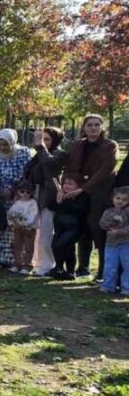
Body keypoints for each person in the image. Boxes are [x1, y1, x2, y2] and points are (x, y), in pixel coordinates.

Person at [64, 114, 119, 280]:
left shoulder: (110, 146)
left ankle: (102, 271)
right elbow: (69, 167)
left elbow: (105, 170)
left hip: (100, 193)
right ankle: (83, 267)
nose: (93, 128)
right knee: (83, 231)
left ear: (102, 127)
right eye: (89, 125)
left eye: (96, 125)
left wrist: (84, 188)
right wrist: (66, 186)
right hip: (78, 192)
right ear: (84, 127)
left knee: (99, 231)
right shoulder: (78, 145)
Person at [23, 127, 67, 277]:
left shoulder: (60, 154)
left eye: (46, 139)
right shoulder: (37, 156)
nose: (42, 142)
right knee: (34, 231)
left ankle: (47, 264)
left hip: (49, 197)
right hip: (34, 194)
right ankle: (34, 261)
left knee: (46, 233)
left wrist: (40, 146)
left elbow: (49, 164)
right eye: (41, 139)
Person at [0, 128, 31, 266]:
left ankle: (15, 259)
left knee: (14, 226)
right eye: (0, 144)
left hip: (17, 195)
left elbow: (25, 173)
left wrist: (13, 189)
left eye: (6, 144)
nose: (3, 147)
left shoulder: (22, 153)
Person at [98, 186, 129, 294]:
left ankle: (126, 288)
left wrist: (120, 231)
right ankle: (108, 286)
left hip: (126, 243)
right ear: (113, 198)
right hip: (111, 244)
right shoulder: (108, 211)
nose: (120, 201)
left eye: (124, 199)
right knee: (110, 265)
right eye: (118, 198)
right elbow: (102, 224)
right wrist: (112, 219)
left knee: (127, 266)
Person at [7, 181, 39, 274]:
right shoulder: (17, 203)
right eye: (22, 191)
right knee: (17, 246)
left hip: (28, 229)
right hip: (17, 228)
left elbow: (33, 216)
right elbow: (10, 213)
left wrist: (24, 223)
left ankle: (28, 265)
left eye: (28, 192)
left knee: (29, 247)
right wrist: (12, 222)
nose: (25, 194)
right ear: (18, 192)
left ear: (32, 192)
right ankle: (17, 264)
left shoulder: (33, 203)